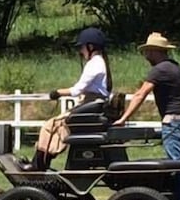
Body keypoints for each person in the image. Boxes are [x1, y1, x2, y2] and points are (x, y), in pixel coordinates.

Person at [112, 31, 180, 200]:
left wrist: (123, 118)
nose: (146, 57)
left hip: (173, 123)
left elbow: (140, 94)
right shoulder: (176, 68)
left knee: (177, 170)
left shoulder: (159, 70)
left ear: (155, 51)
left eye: (147, 52)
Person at [21, 27, 112, 171]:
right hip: (92, 105)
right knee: (56, 124)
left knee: (51, 124)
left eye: (82, 47)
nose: (80, 51)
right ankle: (41, 162)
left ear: (90, 46)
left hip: (91, 105)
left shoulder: (94, 64)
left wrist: (56, 93)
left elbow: (76, 90)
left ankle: (38, 164)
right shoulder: (100, 63)